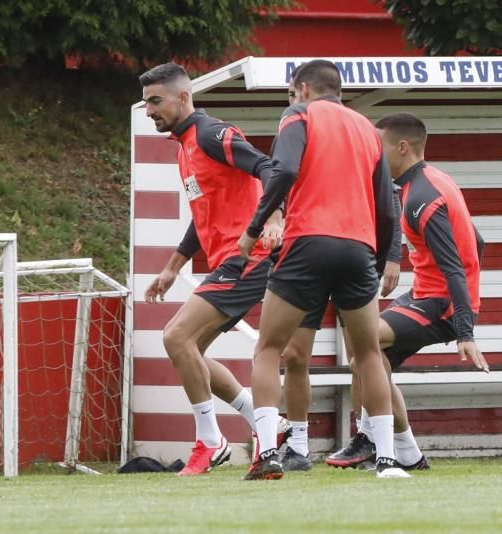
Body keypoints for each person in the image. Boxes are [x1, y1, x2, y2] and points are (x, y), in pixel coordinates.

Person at [238, 59, 406, 479]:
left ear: (304, 89)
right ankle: (387, 459)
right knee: (368, 352)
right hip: (359, 248)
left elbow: (286, 170)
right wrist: (383, 256)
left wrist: (255, 226)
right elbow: (387, 206)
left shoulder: (298, 115)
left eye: (293, 93)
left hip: (307, 241)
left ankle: (266, 455)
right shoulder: (368, 130)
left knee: (269, 348)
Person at [139, 62, 286, 476]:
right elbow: (202, 214)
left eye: (156, 101)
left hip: (248, 260)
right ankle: (267, 424)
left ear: (183, 97)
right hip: (229, 263)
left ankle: (210, 439)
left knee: (176, 337)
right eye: (146, 102)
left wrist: (274, 219)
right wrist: (172, 267)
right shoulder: (185, 146)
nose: (149, 110)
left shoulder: (211, 133)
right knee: (192, 353)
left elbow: (270, 168)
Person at [322, 112, 487, 470]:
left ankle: (368, 436)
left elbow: (454, 266)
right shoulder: (436, 179)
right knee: (369, 359)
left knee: (365, 344)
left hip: (440, 303)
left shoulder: (421, 198)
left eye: (379, 149)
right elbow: (477, 241)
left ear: (402, 148)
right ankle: (410, 455)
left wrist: (465, 330)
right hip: (426, 296)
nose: (374, 157)